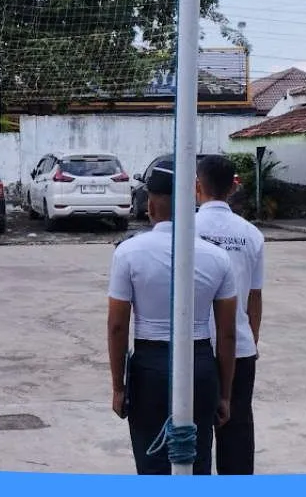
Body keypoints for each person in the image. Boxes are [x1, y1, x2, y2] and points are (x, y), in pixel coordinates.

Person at [106, 162, 238, 476]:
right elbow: (228, 333)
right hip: (201, 365)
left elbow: (117, 326)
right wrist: (224, 393)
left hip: (150, 368)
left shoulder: (128, 253)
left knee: (151, 464)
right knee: (196, 458)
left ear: (150, 205)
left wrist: (118, 387)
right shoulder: (217, 257)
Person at [194, 155, 265, 476]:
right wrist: (250, 339)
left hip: (196, 347)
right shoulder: (251, 234)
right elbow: (255, 297)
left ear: (198, 186)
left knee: (191, 430)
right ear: (233, 187)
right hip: (239, 348)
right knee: (236, 430)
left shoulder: (185, 231)